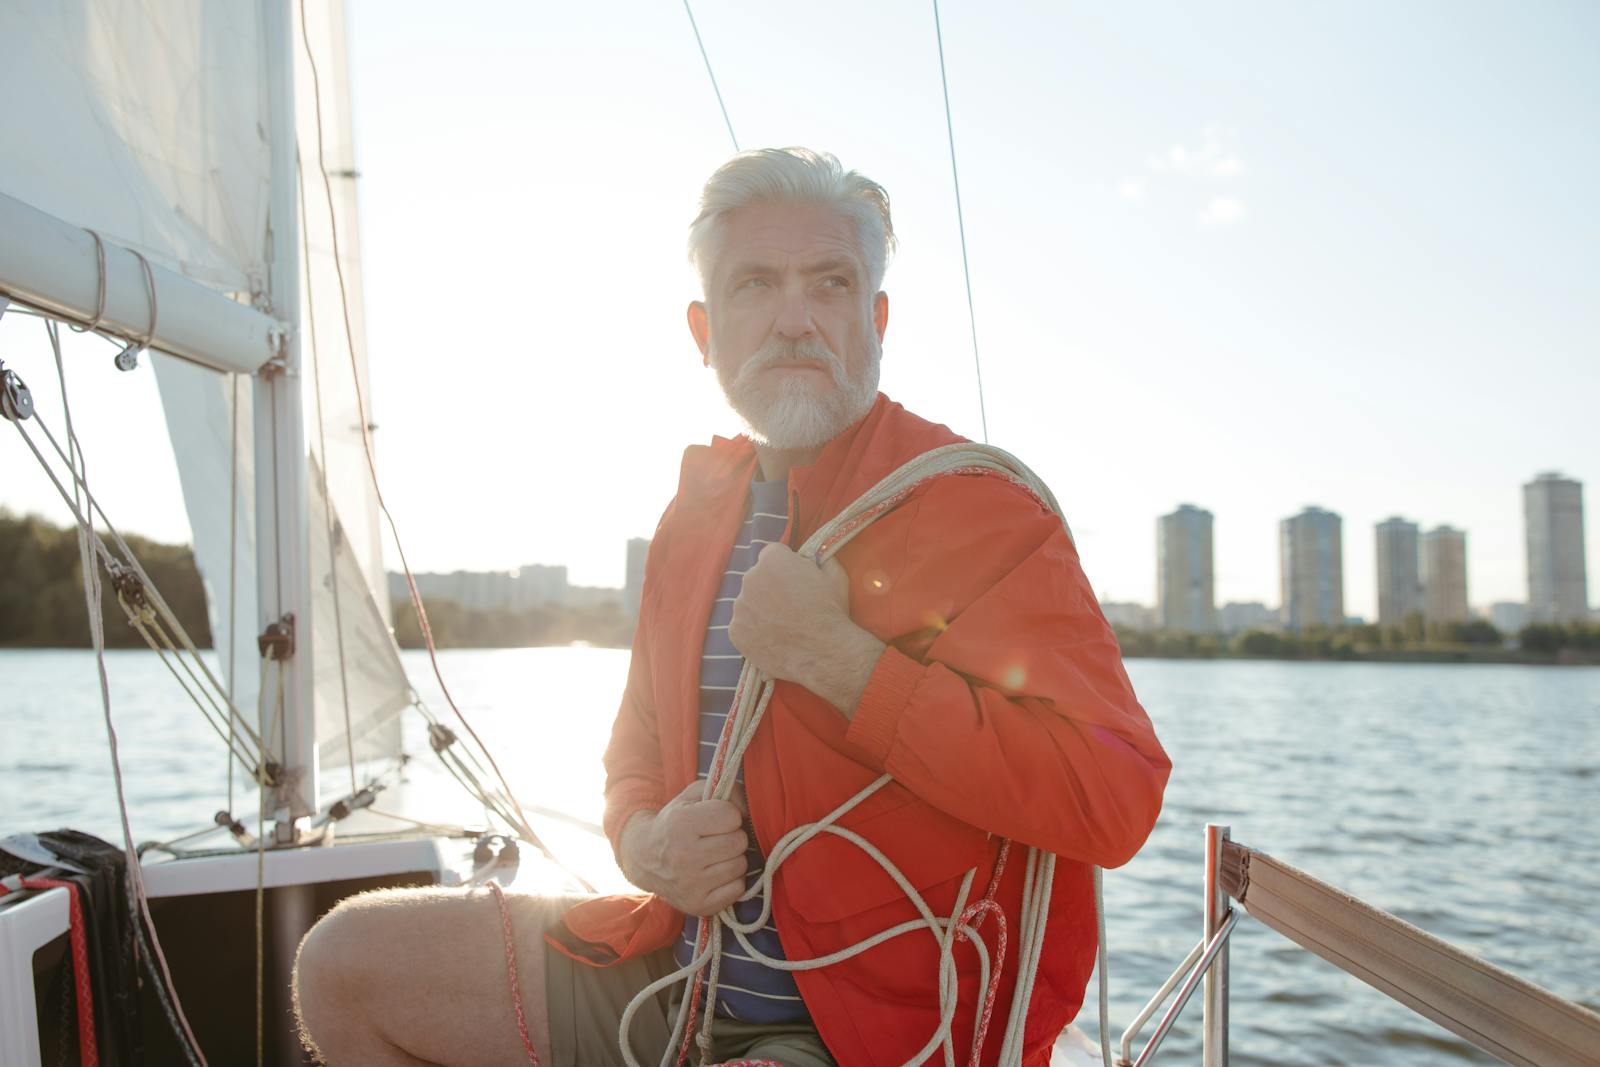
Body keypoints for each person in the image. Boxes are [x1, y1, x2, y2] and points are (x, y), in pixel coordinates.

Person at [293, 147, 1170, 1067]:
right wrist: (643, 844)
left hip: (879, 1030)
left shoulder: (978, 510)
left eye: (829, 284)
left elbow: (1114, 798)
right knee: (342, 964)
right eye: (755, 284)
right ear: (704, 331)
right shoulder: (696, 514)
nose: (795, 319)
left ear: (876, 319)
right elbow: (634, 747)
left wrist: (841, 661)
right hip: (676, 970)